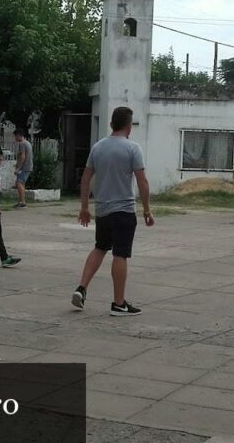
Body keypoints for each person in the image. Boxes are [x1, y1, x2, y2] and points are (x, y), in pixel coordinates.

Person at [71, 106, 154, 317]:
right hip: (124, 211)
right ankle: (118, 303)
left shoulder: (98, 148)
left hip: (103, 211)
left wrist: (84, 208)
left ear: (111, 124)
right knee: (120, 254)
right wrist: (146, 210)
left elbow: (86, 179)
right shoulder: (132, 148)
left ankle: (81, 287)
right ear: (129, 126)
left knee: (100, 247)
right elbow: (142, 182)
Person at [13, 130, 33, 208]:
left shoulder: (22, 144)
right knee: (22, 184)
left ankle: (23, 202)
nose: (15, 138)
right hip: (28, 166)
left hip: (24, 167)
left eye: (15, 136)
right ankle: (21, 201)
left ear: (19, 135)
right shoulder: (28, 143)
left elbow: (22, 156)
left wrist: (18, 168)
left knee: (19, 183)